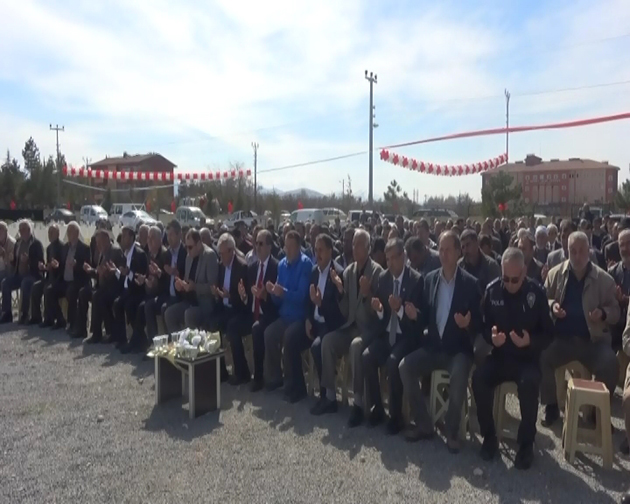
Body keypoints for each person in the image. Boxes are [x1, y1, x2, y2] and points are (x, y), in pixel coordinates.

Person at [399, 231, 481, 451]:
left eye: (448, 250)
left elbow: (479, 323)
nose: (443, 255)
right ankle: (424, 424)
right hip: (434, 347)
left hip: (458, 351)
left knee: (459, 374)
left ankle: (452, 431)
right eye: (441, 250)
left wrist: (468, 324)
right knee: (405, 366)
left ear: (458, 252)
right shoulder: (430, 279)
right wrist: (415, 315)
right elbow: (425, 316)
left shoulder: (470, 284)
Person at [472, 247, 553, 469]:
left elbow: (549, 334)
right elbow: (482, 325)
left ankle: (526, 444)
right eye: (505, 278)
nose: (509, 284)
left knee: (529, 384)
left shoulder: (536, 293)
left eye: (514, 279)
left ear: (524, 272)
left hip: (527, 359)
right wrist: (491, 337)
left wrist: (530, 341)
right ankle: (489, 437)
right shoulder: (492, 291)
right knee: (479, 379)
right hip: (500, 356)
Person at [541, 231, 620, 427]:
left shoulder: (604, 279)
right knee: (541, 355)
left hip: (592, 341)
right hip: (562, 340)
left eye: (581, 251)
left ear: (589, 251)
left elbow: (616, 312)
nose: (577, 256)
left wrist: (603, 313)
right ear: (567, 251)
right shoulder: (555, 274)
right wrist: (552, 306)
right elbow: (544, 299)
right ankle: (551, 405)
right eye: (573, 251)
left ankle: (596, 412)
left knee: (610, 363)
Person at [317, 229, 382, 425]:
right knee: (327, 341)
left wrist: (368, 293)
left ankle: (358, 403)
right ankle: (330, 396)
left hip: (369, 329)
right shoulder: (348, 272)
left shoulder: (377, 272)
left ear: (368, 248)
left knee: (355, 346)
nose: (355, 248)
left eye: (359, 244)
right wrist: (340, 290)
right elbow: (345, 311)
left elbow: (377, 312)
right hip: (351, 326)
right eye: (353, 244)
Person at [362, 238, 424, 435]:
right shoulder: (384, 278)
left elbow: (418, 322)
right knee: (367, 356)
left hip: (406, 336)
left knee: (393, 362)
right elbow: (380, 313)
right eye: (387, 259)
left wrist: (400, 310)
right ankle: (377, 408)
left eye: (393, 258)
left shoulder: (416, 280)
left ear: (403, 256)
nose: (389, 263)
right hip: (386, 333)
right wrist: (380, 309)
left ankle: (396, 416)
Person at [297, 234, 345, 413]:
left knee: (317, 347)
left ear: (330, 251)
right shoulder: (314, 271)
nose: (318, 254)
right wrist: (308, 319)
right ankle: (296, 388)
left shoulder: (338, 273)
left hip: (330, 325)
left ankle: (327, 397)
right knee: (292, 337)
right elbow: (308, 301)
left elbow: (339, 312)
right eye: (315, 250)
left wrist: (320, 304)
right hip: (315, 323)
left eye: (321, 250)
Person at [263, 230, 312, 402]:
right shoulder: (282, 265)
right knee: (269, 333)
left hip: (300, 317)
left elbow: (302, 296)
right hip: (284, 316)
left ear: (298, 248)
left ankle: (295, 387)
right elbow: (278, 300)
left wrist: (283, 292)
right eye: (286, 246)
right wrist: (273, 293)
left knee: (289, 337)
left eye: (291, 247)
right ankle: (276, 377)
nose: (288, 250)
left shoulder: (305, 264)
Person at [236, 229, 279, 392]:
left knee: (257, 329)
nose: (257, 247)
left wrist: (266, 296)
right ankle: (242, 372)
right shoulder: (252, 268)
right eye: (256, 243)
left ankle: (259, 377)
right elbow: (248, 297)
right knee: (233, 326)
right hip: (252, 313)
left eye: (261, 244)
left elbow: (278, 301)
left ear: (269, 246)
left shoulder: (276, 267)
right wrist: (244, 296)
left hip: (268, 314)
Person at [209, 233, 250, 385]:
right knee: (212, 324)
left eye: (222, 253)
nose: (220, 257)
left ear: (231, 251)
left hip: (239, 311)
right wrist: (217, 294)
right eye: (219, 253)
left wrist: (230, 296)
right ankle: (221, 371)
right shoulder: (221, 266)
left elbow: (245, 300)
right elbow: (221, 292)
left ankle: (242, 372)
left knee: (232, 327)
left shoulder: (242, 267)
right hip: (225, 308)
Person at [122, 226, 168, 353]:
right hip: (149, 292)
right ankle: (139, 340)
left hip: (162, 294)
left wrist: (157, 278)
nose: (149, 241)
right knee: (131, 304)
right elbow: (147, 275)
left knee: (145, 306)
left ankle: (149, 344)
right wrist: (144, 279)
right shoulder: (149, 254)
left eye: (152, 238)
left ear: (160, 240)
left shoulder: (164, 255)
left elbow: (167, 280)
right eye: (148, 238)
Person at [164, 229, 219, 334]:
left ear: (198, 244)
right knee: (169, 313)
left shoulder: (209, 256)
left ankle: (192, 343)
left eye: (190, 247)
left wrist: (195, 287)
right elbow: (187, 280)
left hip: (204, 304)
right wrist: (181, 285)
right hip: (190, 301)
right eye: (186, 247)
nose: (188, 250)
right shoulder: (189, 257)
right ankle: (179, 342)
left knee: (189, 314)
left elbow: (213, 287)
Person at [144, 219, 187, 342]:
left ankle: (170, 343)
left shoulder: (185, 253)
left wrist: (176, 273)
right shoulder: (167, 254)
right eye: (167, 235)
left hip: (181, 296)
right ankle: (153, 342)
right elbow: (164, 279)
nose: (169, 238)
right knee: (149, 305)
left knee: (164, 309)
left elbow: (188, 275)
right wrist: (159, 273)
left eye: (172, 235)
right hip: (168, 294)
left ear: (179, 235)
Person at [45, 221, 91, 332]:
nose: (69, 233)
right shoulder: (65, 247)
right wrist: (57, 265)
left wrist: (76, 265)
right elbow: (61, 264)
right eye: (68, 231)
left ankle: (72, 323)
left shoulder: (84, 248)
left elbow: (87, 268)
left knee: (71, 292)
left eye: (71, 231)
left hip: (77, 281)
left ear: (77, 233)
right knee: (49, 291)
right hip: (64, 280)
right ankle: (60, 319)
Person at [81, 229, 125, 343]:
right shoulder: (102, 252)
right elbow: (98, 273)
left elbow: (120, 275)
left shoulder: (115, 251)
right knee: (84, 292)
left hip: (114, 288)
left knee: (98, 297)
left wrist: (107, 273)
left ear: (107, 239)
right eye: (97, 243)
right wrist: (91, 270)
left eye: (100, 242)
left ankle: (107, 332)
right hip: (102, 286)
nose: (98, 245)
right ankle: (82, 328)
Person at [0, 220, 45, 324]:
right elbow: (14, 262)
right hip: (18, 274)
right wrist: (12, 260)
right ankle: (6, 313)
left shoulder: (36, 244)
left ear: (29, 230)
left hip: (32, 275)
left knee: (26, 283)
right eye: (20, 230)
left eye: (23, 230)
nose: (21, 232)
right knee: (5, 283)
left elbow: (41, 262)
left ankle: (25, 314)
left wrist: (29, 260)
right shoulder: (18, 243)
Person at [29, 224, 63, 326]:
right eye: (49, 232)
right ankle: (36, 316)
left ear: (58, 234)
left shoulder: (62, 247)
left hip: (58, 278)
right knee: (35, 287)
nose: (50, 235)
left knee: (48, 289)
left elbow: (62, 266)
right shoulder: (49, 248)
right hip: (49, 276)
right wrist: (43, 267)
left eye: (52, 232)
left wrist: (55, 266)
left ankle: (50, 318)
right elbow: (48, 264)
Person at [609, 229, 630, 353]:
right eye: (622, 245)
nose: (626, 248)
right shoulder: (612, 272)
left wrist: (627, 300)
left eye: (629, 243)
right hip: (618, 327)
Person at [0, 221, 16, 288]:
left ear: (6, 231)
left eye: (0, 230)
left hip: (8, 272)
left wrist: (4, 254)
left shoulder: (12, 243)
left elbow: (12, 264)